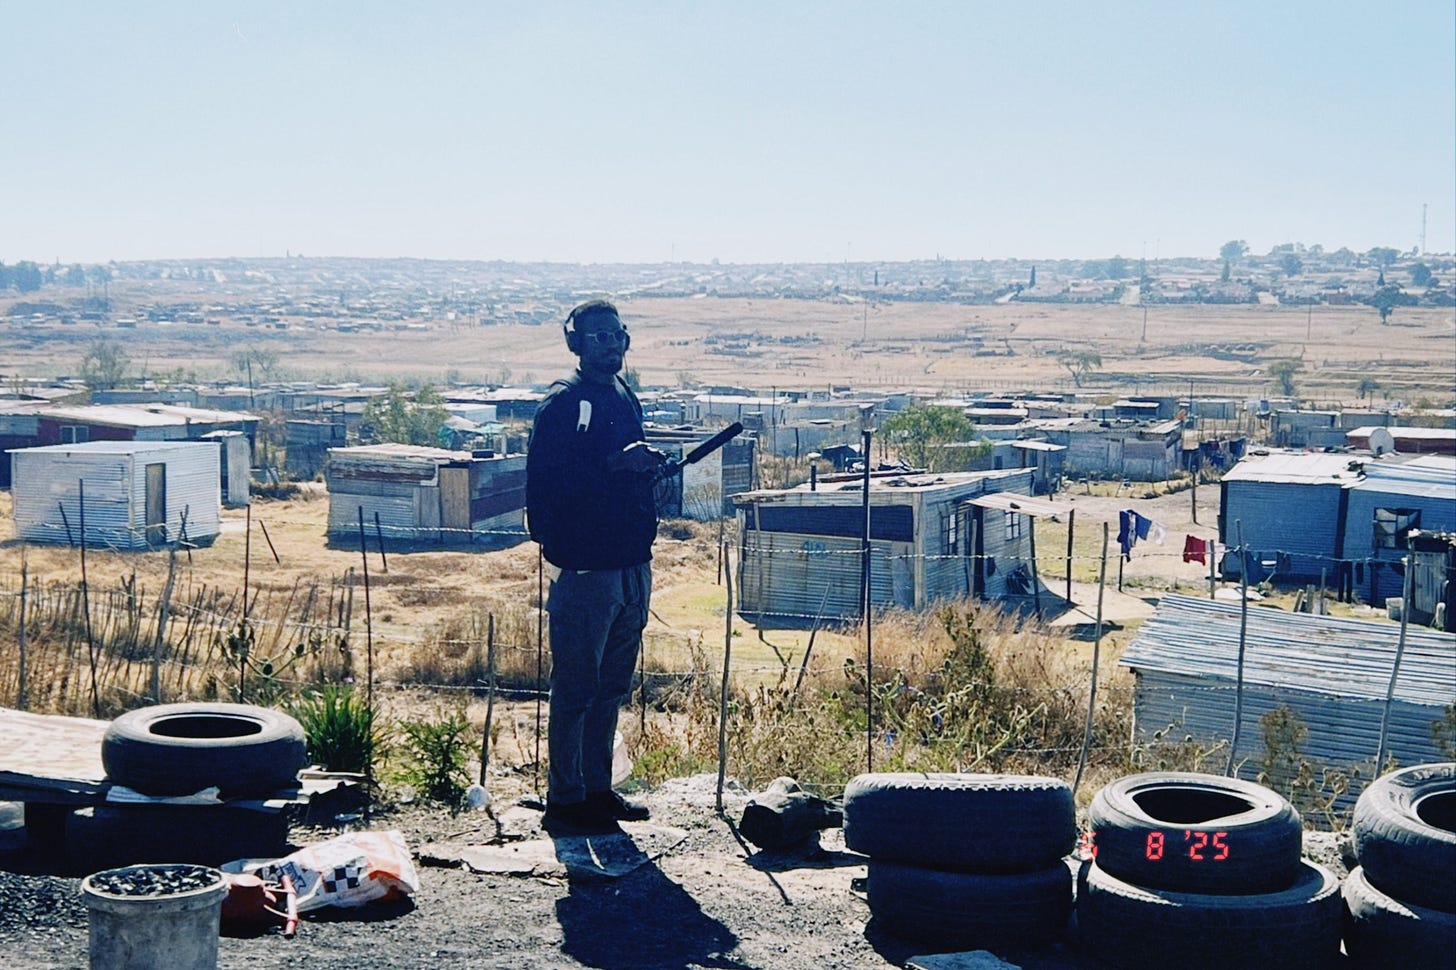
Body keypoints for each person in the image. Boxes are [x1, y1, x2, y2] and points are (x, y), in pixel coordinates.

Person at [526, 299, 669, 833]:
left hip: (631, 562)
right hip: (588, 568)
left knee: (611, 687)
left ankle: (597, 790)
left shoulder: (623, 394)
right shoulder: (564, 404)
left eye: (616, 336)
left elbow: (620, 474)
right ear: (576, 344)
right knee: (576, 688)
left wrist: (643, 468)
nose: (610, 345)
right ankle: (565, 800)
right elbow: (548, 484)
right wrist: (615, 464)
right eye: (598, 337)